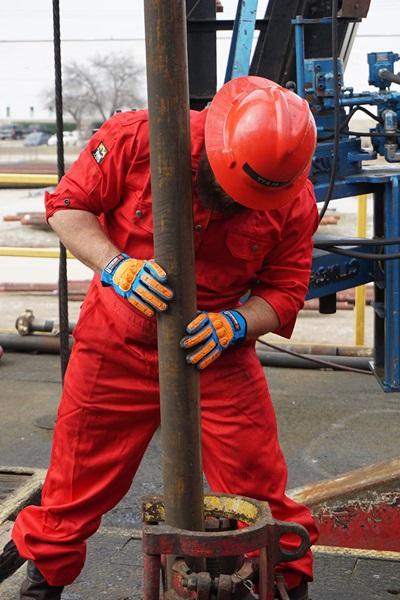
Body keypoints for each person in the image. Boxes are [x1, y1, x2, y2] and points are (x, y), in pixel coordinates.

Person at [1, 76, 319, 600]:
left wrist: (236, 323)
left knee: (259, 485)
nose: (241, 204)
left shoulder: (292, 197)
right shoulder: (137, 139)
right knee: (72, 487)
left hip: (214, 351)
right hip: (117, 343)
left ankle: (287, 583)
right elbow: (68, 207)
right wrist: (117, 266)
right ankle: (42, 584)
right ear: (218, 145)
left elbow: (285, 290)